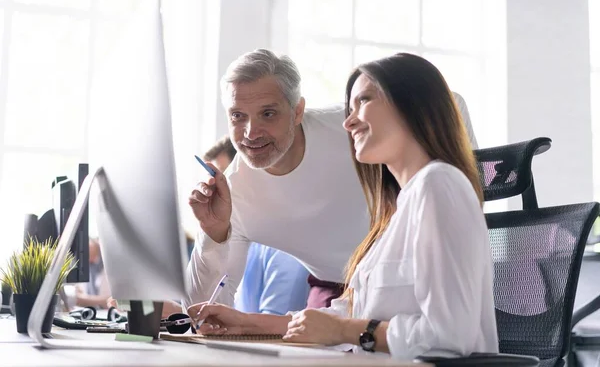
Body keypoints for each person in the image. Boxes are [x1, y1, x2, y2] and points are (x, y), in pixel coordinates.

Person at [187, 53, 498, 360]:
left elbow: (450, 336)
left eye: (363, 101)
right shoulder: (392, 221)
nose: (348, 122)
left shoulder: (439, 185)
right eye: (237, 116)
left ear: (410, 106)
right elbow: (348, 314)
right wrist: (245, 322)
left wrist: (344, 332)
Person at [204, 135, 311, 315]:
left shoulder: (282, 247)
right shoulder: (240, 238)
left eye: (220, 177)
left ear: (241, 177)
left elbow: (275, 326)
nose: (212, 188)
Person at [74, 238, 111, 309]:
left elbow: (112, 300)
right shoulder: (87, 267)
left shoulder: (109, 265)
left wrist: (86, 299)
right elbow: (79, 294)